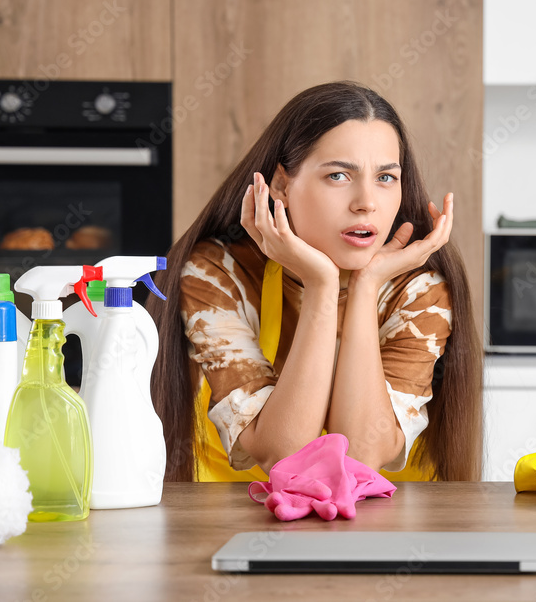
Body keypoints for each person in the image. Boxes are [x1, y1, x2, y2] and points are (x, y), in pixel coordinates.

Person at [149, 81, 482, 482]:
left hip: (386, 532)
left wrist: (366, 284)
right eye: (339, 176)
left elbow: (360, 456)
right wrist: (322, 285)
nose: (367, 202)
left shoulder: (419, 293)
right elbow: (284, 455)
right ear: (281, 185)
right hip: (239, 528)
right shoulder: (217, 274)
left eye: (386, 178)